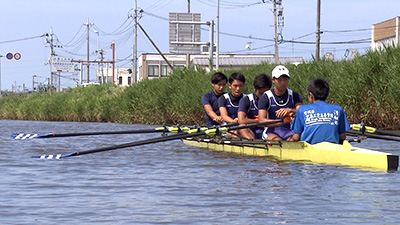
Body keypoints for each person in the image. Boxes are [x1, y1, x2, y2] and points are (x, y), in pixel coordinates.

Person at [291, 78, 350, 144]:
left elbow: (296, 137)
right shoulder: (338, 110)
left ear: (311, 95)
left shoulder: (302, 110)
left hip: (310, 150)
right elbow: (342, 137)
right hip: (332, 150)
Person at [258, 65, 303, 141]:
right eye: (279, 79)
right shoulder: (266, 97)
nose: (283, 83)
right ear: (273, 80)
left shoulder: (295, 95)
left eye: (285, 79)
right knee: (278, 141)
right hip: (271, 132)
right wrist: (282, 121)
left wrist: (291, 110)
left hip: (289, 131)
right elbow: (261, 120)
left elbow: (301, 111)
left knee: (295, 139)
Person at [237, 74, 272, 139]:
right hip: (252, 131)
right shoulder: (246, 100)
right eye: (261, 93)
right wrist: (260, 120)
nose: (263, 96)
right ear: (255, 89)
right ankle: (252, 144)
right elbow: (241, 120)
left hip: (269, 131)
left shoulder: (272, 98)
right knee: (242, 127)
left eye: (265, 93)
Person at [218, 72, 246, 137]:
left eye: (240, 86)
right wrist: (233, 121)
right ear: (230, 86)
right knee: (236, 135)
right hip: (228, 127)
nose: (238, 89)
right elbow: (224, 116)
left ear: (243, 85)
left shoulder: (246, 98)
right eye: (235, 86)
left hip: (242, 126)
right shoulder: (223, 98)